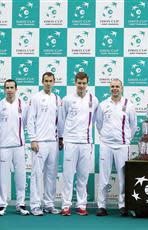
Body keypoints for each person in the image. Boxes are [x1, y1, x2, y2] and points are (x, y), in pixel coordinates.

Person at [95, 79, 137, 217]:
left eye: (117, 86)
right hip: (106, 144)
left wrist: (126, 139)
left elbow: (133, 125)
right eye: (112, 86)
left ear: (122, 88)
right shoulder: (103, 105)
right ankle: (102, 206)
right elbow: (99, 124)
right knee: (104, 176)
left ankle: (123, 205)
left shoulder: (129, 105)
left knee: (123, 177)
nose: (114, 89)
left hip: (122, 145)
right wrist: (106, 137)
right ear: (109, 88)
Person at [58, 72, 98, 216]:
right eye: (79, 83)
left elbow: (95, 121)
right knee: (68, 176)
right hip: (70, 142)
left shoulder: (94, 100)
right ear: (75, 83)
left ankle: (81, 205)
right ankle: (66, 205)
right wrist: (61, 138)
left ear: (87, 84)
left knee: (83, 176)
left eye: (84, 83)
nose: (81, 86)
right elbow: (61, 120)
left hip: (86, 143)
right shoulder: (67, 99)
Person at [0, 79, 29, 216]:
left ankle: (21, 204)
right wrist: (0, 139)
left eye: (12, 87)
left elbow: (24, 123)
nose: (10, 90)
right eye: (7, 88)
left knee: (21, 176)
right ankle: (2, 204)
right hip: (4, 147)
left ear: (16, 89)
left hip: (18, 146)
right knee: (3, 176)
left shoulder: (23, 105)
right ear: (4, 89)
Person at [27, 72, 62, 216]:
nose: (48, 83)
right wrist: (33, 139)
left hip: (53, 142)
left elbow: (59, 121)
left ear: (54, 82)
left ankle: (49, 204)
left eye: (51, 81)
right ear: (42, 82)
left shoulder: (57, 98)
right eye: (46, 81)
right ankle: (35, 205)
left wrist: (60, 138)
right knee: (36, 174)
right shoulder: (36, 98)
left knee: (51, 174)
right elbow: (30, 120)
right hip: (39, 142)